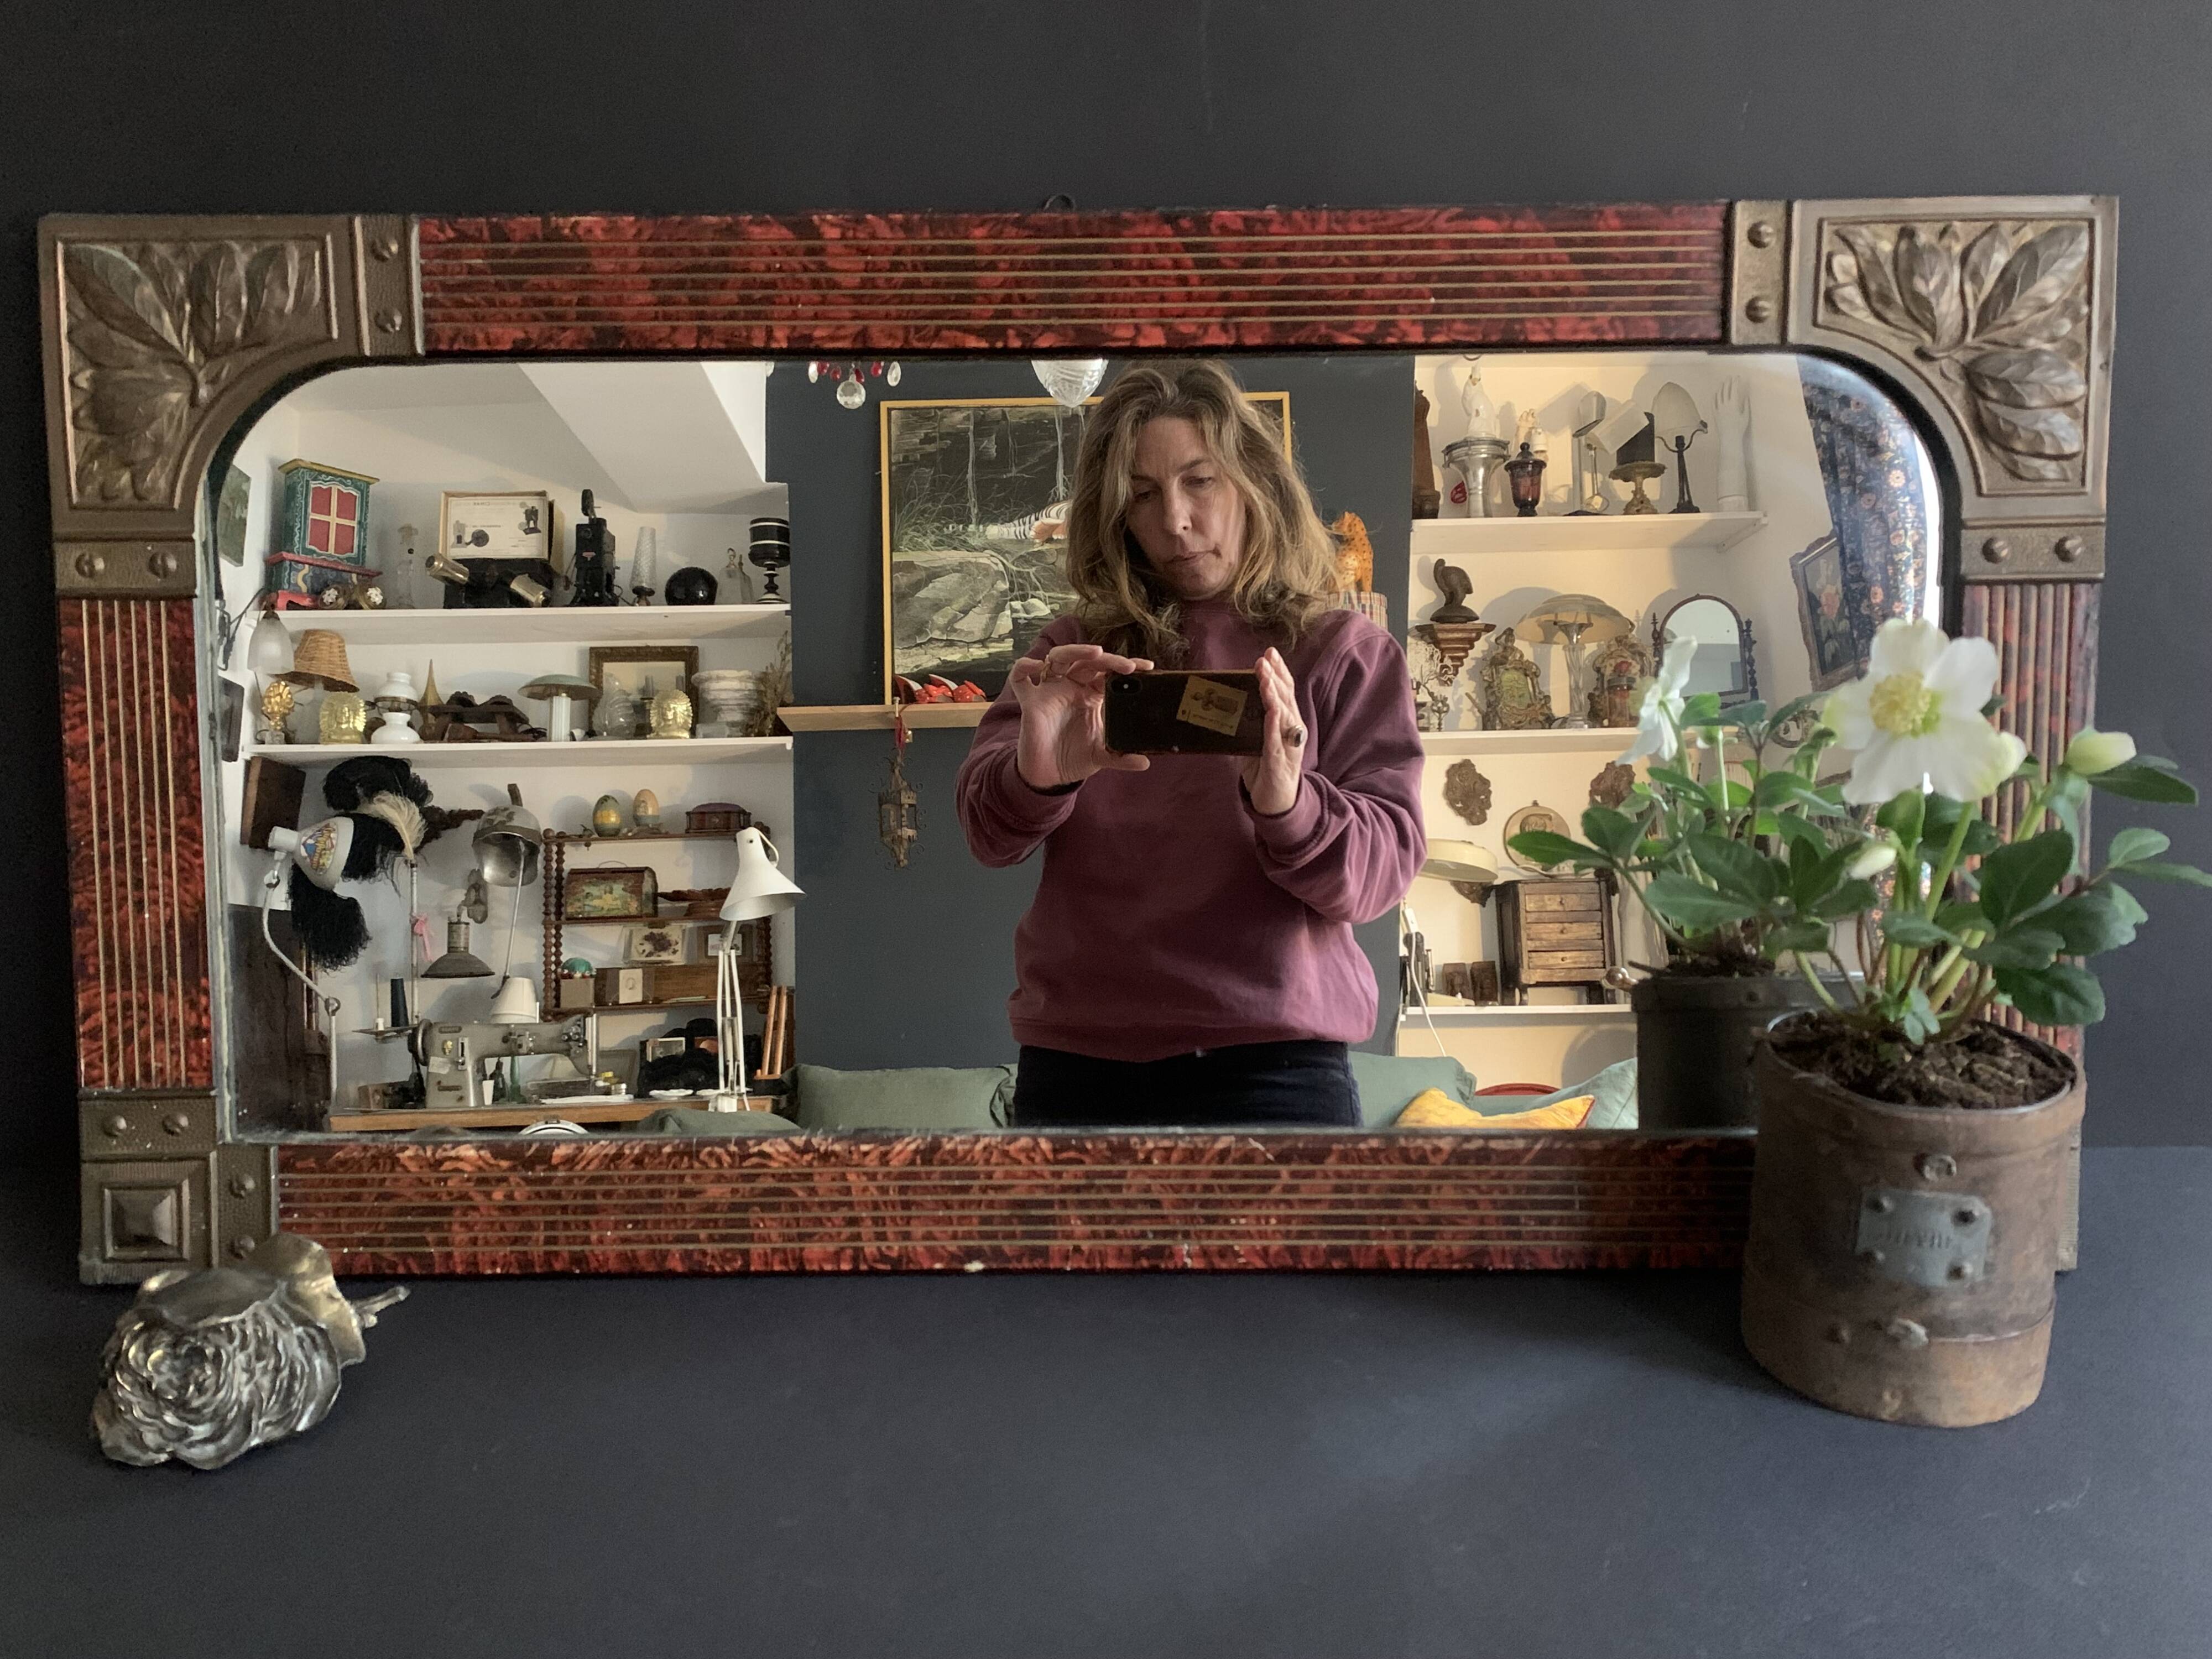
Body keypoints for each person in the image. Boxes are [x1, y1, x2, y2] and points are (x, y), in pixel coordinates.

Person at [954, 360, 1425, 1128]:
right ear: (1115, 515)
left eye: (1199, 480)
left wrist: (1288, 804)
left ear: (1255, 481)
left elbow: (1381, 877)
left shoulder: (1344, 651)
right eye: (1142, 495)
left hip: (1276, 1070)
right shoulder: (1072, 652)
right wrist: (1037, 779)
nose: (1174, 519)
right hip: (1080, 1069)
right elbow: (986, 832)